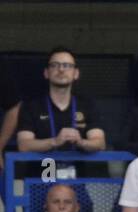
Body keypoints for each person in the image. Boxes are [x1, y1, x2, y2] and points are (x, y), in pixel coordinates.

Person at [15, 47, 106, 178]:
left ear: (76, 73)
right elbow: (24, 145)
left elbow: (100, 143)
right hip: (40, 181)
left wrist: (81, 142)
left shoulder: (87, 105)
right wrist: (54, 141)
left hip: (76, 182)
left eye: (67, 65)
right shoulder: (31, 106)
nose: (61, 69)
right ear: (46, 73)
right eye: (55, 65)